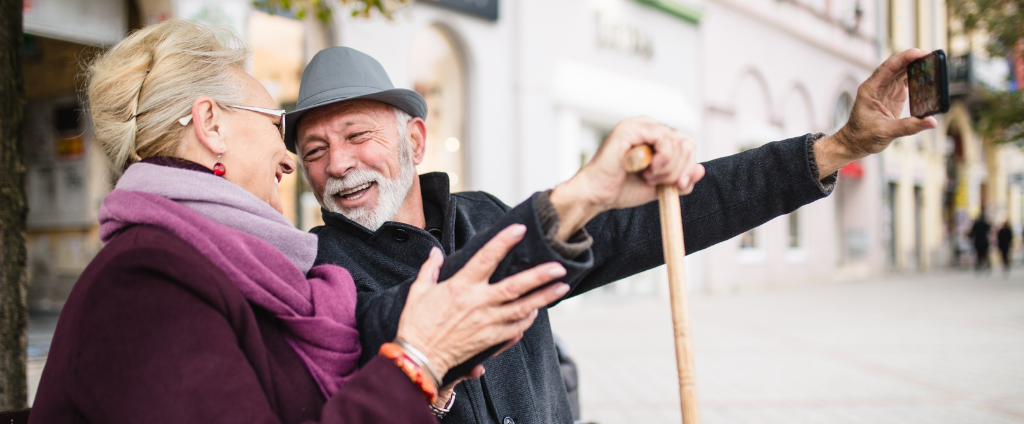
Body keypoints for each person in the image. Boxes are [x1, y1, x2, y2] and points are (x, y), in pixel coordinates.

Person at [286, 45, 938, 424]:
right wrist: (575, 197)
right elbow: (414, 315)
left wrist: (835, 148)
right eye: (315, 149)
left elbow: (664, 217)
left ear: (415, 141)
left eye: (357, 136)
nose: (337, 164)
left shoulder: (481, 214)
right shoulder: (320, 268)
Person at [29, 20, 576, 424]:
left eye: (358, 135)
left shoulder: (213, 264)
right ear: (212, 125)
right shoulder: (145, 285)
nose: (291, 161)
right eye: (276, 125)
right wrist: (416, 366)